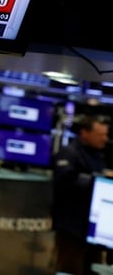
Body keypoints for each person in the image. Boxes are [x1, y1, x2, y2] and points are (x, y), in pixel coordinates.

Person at [52, 114, 113, 274]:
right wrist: (99, 179)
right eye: (101, 135)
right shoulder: (70, 153)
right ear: (85, 133)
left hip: (91, 227)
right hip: (71, 227)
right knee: (69, 269)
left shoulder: (97, 155)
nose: (105, 139)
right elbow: (65, 180)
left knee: (91, 269)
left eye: (106, 135)